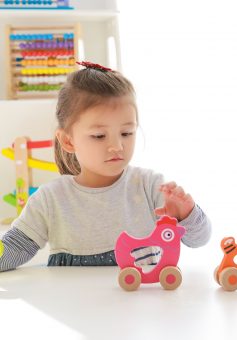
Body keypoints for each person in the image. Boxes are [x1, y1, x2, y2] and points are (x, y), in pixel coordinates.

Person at [0, 61, 211, 271]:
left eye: (127, 133)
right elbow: (13, 249)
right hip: (72, 302)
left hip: (141, 303)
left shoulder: (151, 186)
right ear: (68, 141)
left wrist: (186, 215)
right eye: (99, 136)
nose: (117, 146)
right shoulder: (50, 199)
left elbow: (199, 240)